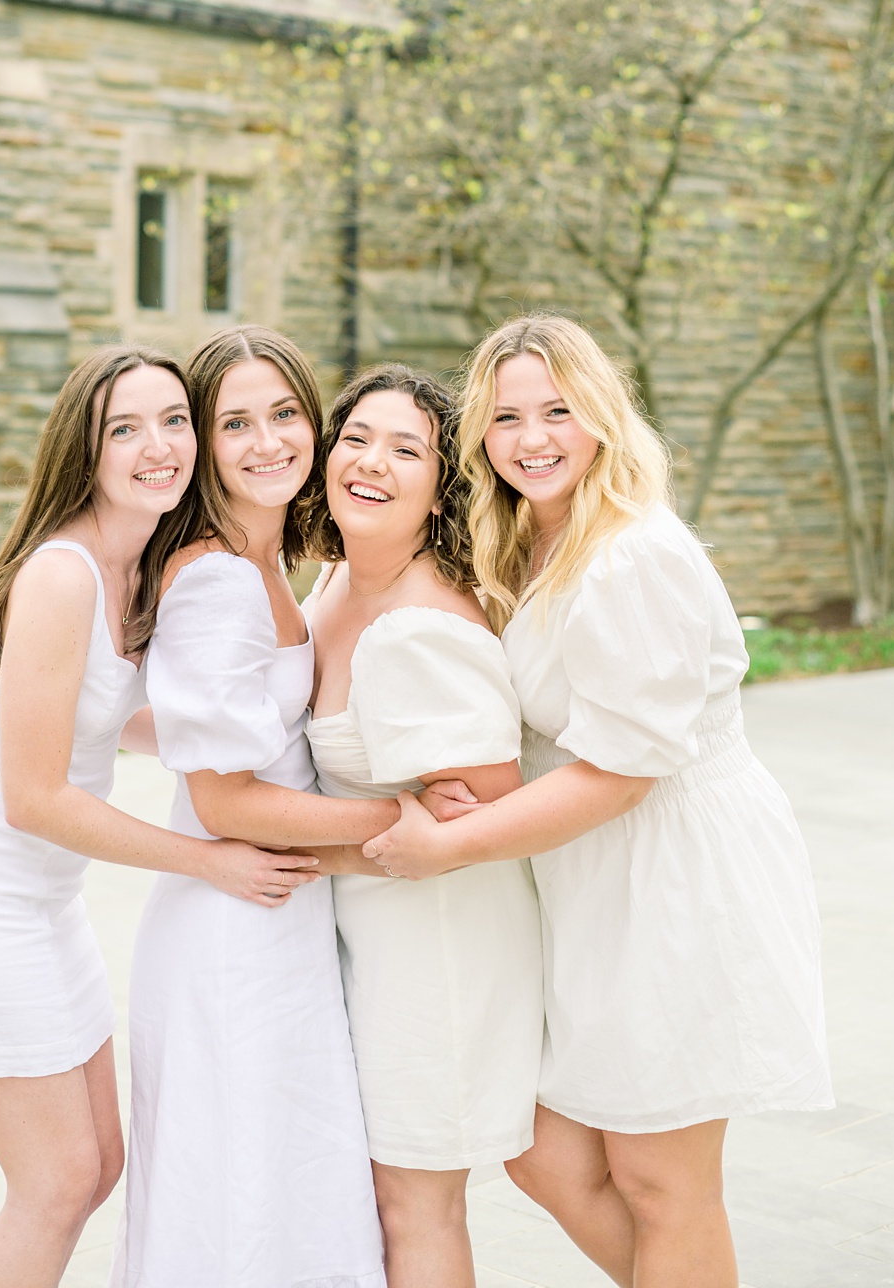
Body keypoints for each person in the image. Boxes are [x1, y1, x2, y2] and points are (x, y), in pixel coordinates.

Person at [364, 312, 832, 1288]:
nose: (533, 438)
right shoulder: (526, 537)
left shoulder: (631, 554)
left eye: (558, 411)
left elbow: (624, 770)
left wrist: (452, 843)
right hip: (590, 873)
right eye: (506, 417)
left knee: (662, 1180)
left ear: (603, 415)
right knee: (544, 1148)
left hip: (671, 876)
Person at [0, 346, 321, 1288]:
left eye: (174, 420)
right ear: (83, 450)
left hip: (44, 906)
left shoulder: (137, 564)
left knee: (101, 1168)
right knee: (55, 1182)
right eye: (125, 428)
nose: (158, 446)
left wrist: (267, 730)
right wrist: (208, 856)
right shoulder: (64, 574)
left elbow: (113, 718)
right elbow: (34, 796)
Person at [109, 326, 397, 1287]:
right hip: (234, 929)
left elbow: (194, 726)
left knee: (281, 1180)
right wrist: (397, 817)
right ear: (202, 443)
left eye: (283, 414)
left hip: (278, 914)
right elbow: (225, 797)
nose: (267, 441)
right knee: (236, 1194)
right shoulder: (220, 581)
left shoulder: (269, 563)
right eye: (235, 422)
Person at [304, 363, 543, 1282]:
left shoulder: (420, 628)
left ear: (442, 490)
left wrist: (294, 838)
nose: (371, 461)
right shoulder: (332, 581)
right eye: (357, 437)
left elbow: (494, 804)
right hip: (372, 933)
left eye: (407, 449)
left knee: (417, 1206)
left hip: (440, 951)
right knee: (381, 1196)